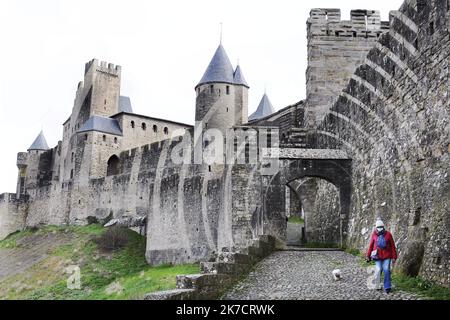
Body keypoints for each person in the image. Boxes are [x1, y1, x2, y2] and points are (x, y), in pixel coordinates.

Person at [366, 219, 397, 294]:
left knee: (386, 270)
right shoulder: (374, 234)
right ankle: (377, 285)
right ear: (376, 227)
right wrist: (368, 256)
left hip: (387, 256)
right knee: (379, 269)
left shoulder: (388, 234)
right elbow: (371, 245)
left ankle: (387, 287)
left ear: (383, 226)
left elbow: (393, 246)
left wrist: (394, 257)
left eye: (381, 226)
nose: (380, 228)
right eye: (378, 227)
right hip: (377, 256)